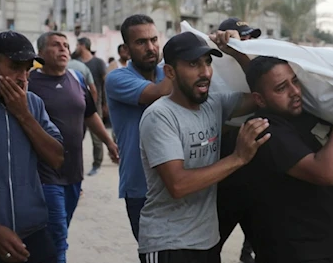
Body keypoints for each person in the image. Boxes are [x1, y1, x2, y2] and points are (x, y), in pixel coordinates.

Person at [138, 31, 267, 263]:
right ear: (170, 72)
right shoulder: (160, 116)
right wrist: (238, 158)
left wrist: (238, 54)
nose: (205, 72)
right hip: (169, 244)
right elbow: (178, 184)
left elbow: (263, 93)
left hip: (207, 242)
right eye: (193, 64)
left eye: (208, 63)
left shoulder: (214, 105)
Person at [242, 56, 333, 263]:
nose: (295, 92)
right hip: (292, 252)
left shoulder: (303, 115)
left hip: (322, 246)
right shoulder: (265, 130)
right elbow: (325, 172)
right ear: (260, 99)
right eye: (281, 88)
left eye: (295, 81)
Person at [29, 32, 120, 263]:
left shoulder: (77, 78)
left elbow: (90, 115)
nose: (63, 50)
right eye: (56, 45)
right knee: (58, 233)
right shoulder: (30, 82)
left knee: (60, 229)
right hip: (44, 172)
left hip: (73, 171)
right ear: (40, 53)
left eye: (66, 45)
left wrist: (110, 143)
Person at [0, 31, 64, 263]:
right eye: (15, 67)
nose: (22, 77)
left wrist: (23, 115)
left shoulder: (33, 104)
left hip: (33, 235)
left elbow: (57, 158)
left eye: (28, 69)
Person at [105, 14, 172, 241]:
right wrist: (186, 60)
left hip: (178, 181)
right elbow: (157, 93)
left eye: (154, 40)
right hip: (141, 189)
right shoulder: (117, 79)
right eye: (141, 42)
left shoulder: (167, 72)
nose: (151, 47)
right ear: (125, 49)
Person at [215, 17, 262, 263]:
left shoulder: (257, 65)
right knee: (211, 244)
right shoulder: (211, 72)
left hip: (257, 179)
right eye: (241, 37)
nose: (248, 42)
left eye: (251, 37)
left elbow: (265, 89)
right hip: (224, 180)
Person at [75, 37, 107, 176]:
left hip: (96, 104)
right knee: (77, 136)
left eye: (77, 45)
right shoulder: (75, 62)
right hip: (78, 104)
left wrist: (105, 104)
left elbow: (105, 84)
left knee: (97, 136)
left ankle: (97, 164)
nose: (75, 47)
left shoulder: (98, 63)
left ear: (83, 46)